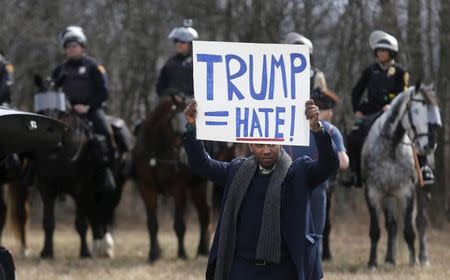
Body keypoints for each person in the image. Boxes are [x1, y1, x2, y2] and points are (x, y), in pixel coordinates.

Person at [183, 99, 339, 280]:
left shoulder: (299, 172)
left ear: (281, 142)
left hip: (285, 270)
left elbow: (329, 164)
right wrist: (192, 127)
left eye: (271, 144)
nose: (266, 150)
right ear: (250, 145)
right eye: (259, 145)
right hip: (241, 269)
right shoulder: (236, 171)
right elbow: (201, 164)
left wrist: (317, 129)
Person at [285, 31, 349, 261]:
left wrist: (316, 110)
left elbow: (321, 95)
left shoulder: (316, 75)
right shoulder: (279, 73)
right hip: (286, 119)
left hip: (310, 115)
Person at [345, 30, 434, 186]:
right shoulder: (370, 71)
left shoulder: (400, 72)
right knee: (353, 137)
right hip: (371, 113)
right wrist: (357, 110)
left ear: (391, 52)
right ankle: (356, 174)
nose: (380, 53)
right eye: (378, 50)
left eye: (384, 50)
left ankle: (424, 167)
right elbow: (356, 91)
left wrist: (392, 106)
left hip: (394, 113)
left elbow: (403, 93)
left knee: (414, 131)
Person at [51, 26, 115, 189]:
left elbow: (104, 91)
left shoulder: (94, 66)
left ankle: (107, 170)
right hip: (66, 112)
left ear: (82, 47)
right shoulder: (59, 69)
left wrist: (87, 107)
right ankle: (35, 173)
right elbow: (52, 91)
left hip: (91, 110)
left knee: (105, 132)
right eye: (67, 46)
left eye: (74, 46)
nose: (71, 49)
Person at [156, 19, 198, 98]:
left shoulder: (197, 64)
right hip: (172, 104)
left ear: (189, 44)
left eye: (183, 41)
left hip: (192, 105)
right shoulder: (170, 64)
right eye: (176, 41)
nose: (179, 44)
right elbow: (160, 87)